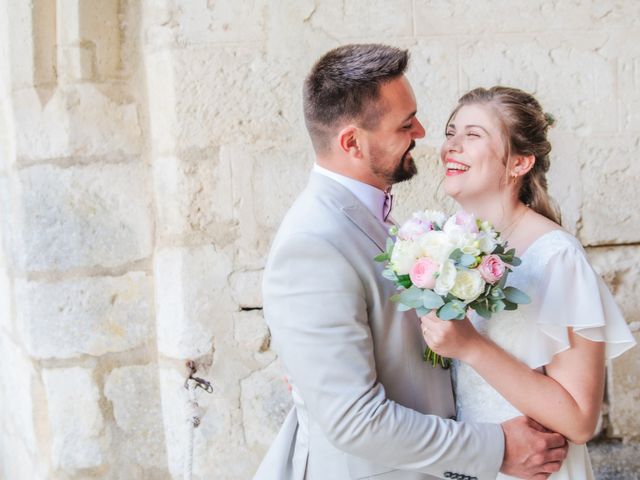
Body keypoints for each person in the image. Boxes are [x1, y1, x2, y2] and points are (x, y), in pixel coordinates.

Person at [255, 45, 568, 480]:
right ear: (352, 143)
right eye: (405, 124)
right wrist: (498, 447)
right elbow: (354, 420)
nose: (422, 132)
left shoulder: (375, 219)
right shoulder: (313, 243)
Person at [421, 86, 637, 479]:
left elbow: (579, 421)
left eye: (472, 135)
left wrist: (471, 346)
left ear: (520, 163)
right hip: (471, 463)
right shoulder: (445, 246)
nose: (451, 146)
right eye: (451, 132)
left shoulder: (557, 258)